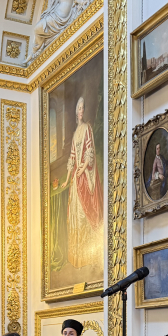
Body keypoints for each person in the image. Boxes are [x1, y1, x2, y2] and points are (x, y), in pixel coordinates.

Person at [65, 96, 104, 270]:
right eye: (78, 108)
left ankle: (90, 256)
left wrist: (82, 170)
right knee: (75, 217)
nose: (80, 111)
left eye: (82, 108)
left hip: (84, 175)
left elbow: (89, 152)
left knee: (84, 214)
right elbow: (72, 157)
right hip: (76, 178)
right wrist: (68, 178)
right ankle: (78, 256)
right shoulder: (75, 133)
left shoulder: (87, 128)